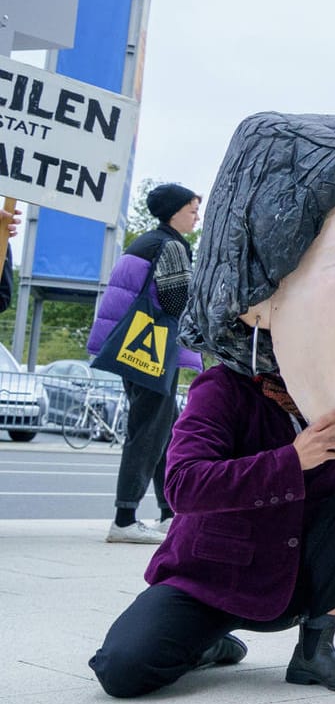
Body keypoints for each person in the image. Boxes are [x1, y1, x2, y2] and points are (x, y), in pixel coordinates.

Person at [89, 112, 335, 698]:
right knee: (123, 671)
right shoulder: (225, 389)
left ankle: (317, 646)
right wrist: (291, 460)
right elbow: (184, 487)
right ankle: (210, 640)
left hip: (294, 583)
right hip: (213, 578)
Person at [86, 183, 207, 544]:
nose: (196, 216)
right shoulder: (171, 246)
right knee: (149, 431)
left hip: (133, 346)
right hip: (153, 347)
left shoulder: (145, 241)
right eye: (192, 209)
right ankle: (125, 518)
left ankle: (170, 513)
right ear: (173, 211)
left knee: (163, 430)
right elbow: (174, 301)